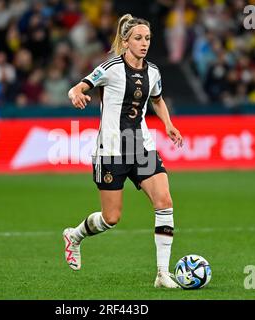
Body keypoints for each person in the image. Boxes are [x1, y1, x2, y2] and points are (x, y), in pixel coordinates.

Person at [63, 14, 184, 288]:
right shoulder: (110, 68)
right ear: (126, 41)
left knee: (164, 201)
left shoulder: (153, 71)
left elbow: (158, 99)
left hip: (141, 147)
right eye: (138, 38)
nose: (144, 43)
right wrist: (76, 94)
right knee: (111, 218)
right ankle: (74, 235)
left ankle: (162, 273)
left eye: (148, 38)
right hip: (111, 151)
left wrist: (168, 125)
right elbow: (78, 87)